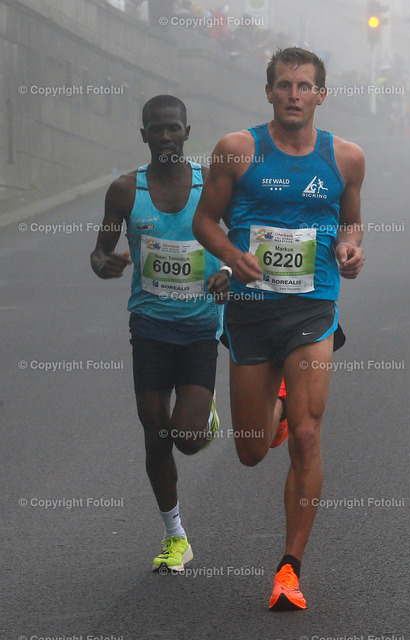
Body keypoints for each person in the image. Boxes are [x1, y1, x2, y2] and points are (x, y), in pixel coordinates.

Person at [192, 47, 365, 610]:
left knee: (309, 435)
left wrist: (350, 248)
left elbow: (352, 221)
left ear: (321, 94)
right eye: (285, 85)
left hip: (313, 306)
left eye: (305, 86)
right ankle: (279, 406)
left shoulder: (345, 157)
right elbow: (204, 219)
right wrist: (230, 255)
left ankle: (290, 569)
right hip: (250, 309)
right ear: (268, 92)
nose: (294, 95)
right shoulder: (237, 150)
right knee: (251, 450)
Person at [90, 95, 230, 573]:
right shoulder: (124, 191)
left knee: (186, 438)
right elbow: (99, 251)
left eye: (173, 128)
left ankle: (203, 413)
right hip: (149, 326)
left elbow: (243, 238)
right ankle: (175, 536)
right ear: (143, 135)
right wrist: (104, 264)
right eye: (156, 129)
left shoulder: (211, 186)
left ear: (187, 132)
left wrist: (228, 270)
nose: (165, 136)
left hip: (199, 327)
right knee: (155, 434)